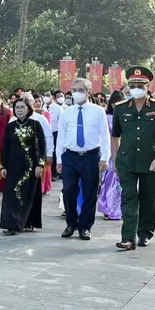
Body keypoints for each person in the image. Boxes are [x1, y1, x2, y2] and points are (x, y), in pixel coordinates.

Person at [112, 66, 155, 250]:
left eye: (140, 84)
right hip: (126, 161)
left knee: (149, 198)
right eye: (133, 84)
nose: (136, 87)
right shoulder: (120, 108)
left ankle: (144, 233)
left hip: (150, 160)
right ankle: (128, 238)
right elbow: (115, 136)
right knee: (128, 198)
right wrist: (115, 160)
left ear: (147, 86)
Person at [56, 77, 110, 241]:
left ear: (88, 92)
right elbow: (61, 136)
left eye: (81, 90)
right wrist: (59, 159)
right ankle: (71, 223)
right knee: (69, 191)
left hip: (91, 156)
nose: (77, 93)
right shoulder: (66, 112)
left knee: (90, 193)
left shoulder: (98, 111)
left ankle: (85, 226)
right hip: (70, 156)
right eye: (75, 90)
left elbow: (105, 136)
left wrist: (105, 158)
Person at [0, 94, 47, 235]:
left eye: (22, 107)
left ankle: (28, 222)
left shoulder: (35, 124)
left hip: (31, 167)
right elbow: (5, 147)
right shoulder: (10, 126)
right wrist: (3, 166)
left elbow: (43, 145)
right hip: (13, 166)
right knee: (12, 195)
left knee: (29, 194)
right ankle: (11, 224)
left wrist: (40, 164)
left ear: (28, 109)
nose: (19, 110)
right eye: (17, 107)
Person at [98, 91, 124, 221]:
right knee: (109, 181)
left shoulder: (126, 116)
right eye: (115, 103)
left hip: (124, 151)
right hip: (110, 152)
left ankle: (120, 209)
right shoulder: (107, 117)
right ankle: (108, 208)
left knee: (122, 182)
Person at [31, 94, 54, 196]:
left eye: (38, 101)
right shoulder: (17, 117)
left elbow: (48, 135)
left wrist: (49, 152)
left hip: (40, 147)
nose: (37, 103)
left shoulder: (44, 116)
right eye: (35, 101)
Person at [48, 89, 66, 179]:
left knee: (56, 151)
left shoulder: (58, 108)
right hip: (46, 134)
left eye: (61, 96)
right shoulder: (42, 107)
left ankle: (56, 171)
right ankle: (50, 172)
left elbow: (62, 122)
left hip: (56, 133)